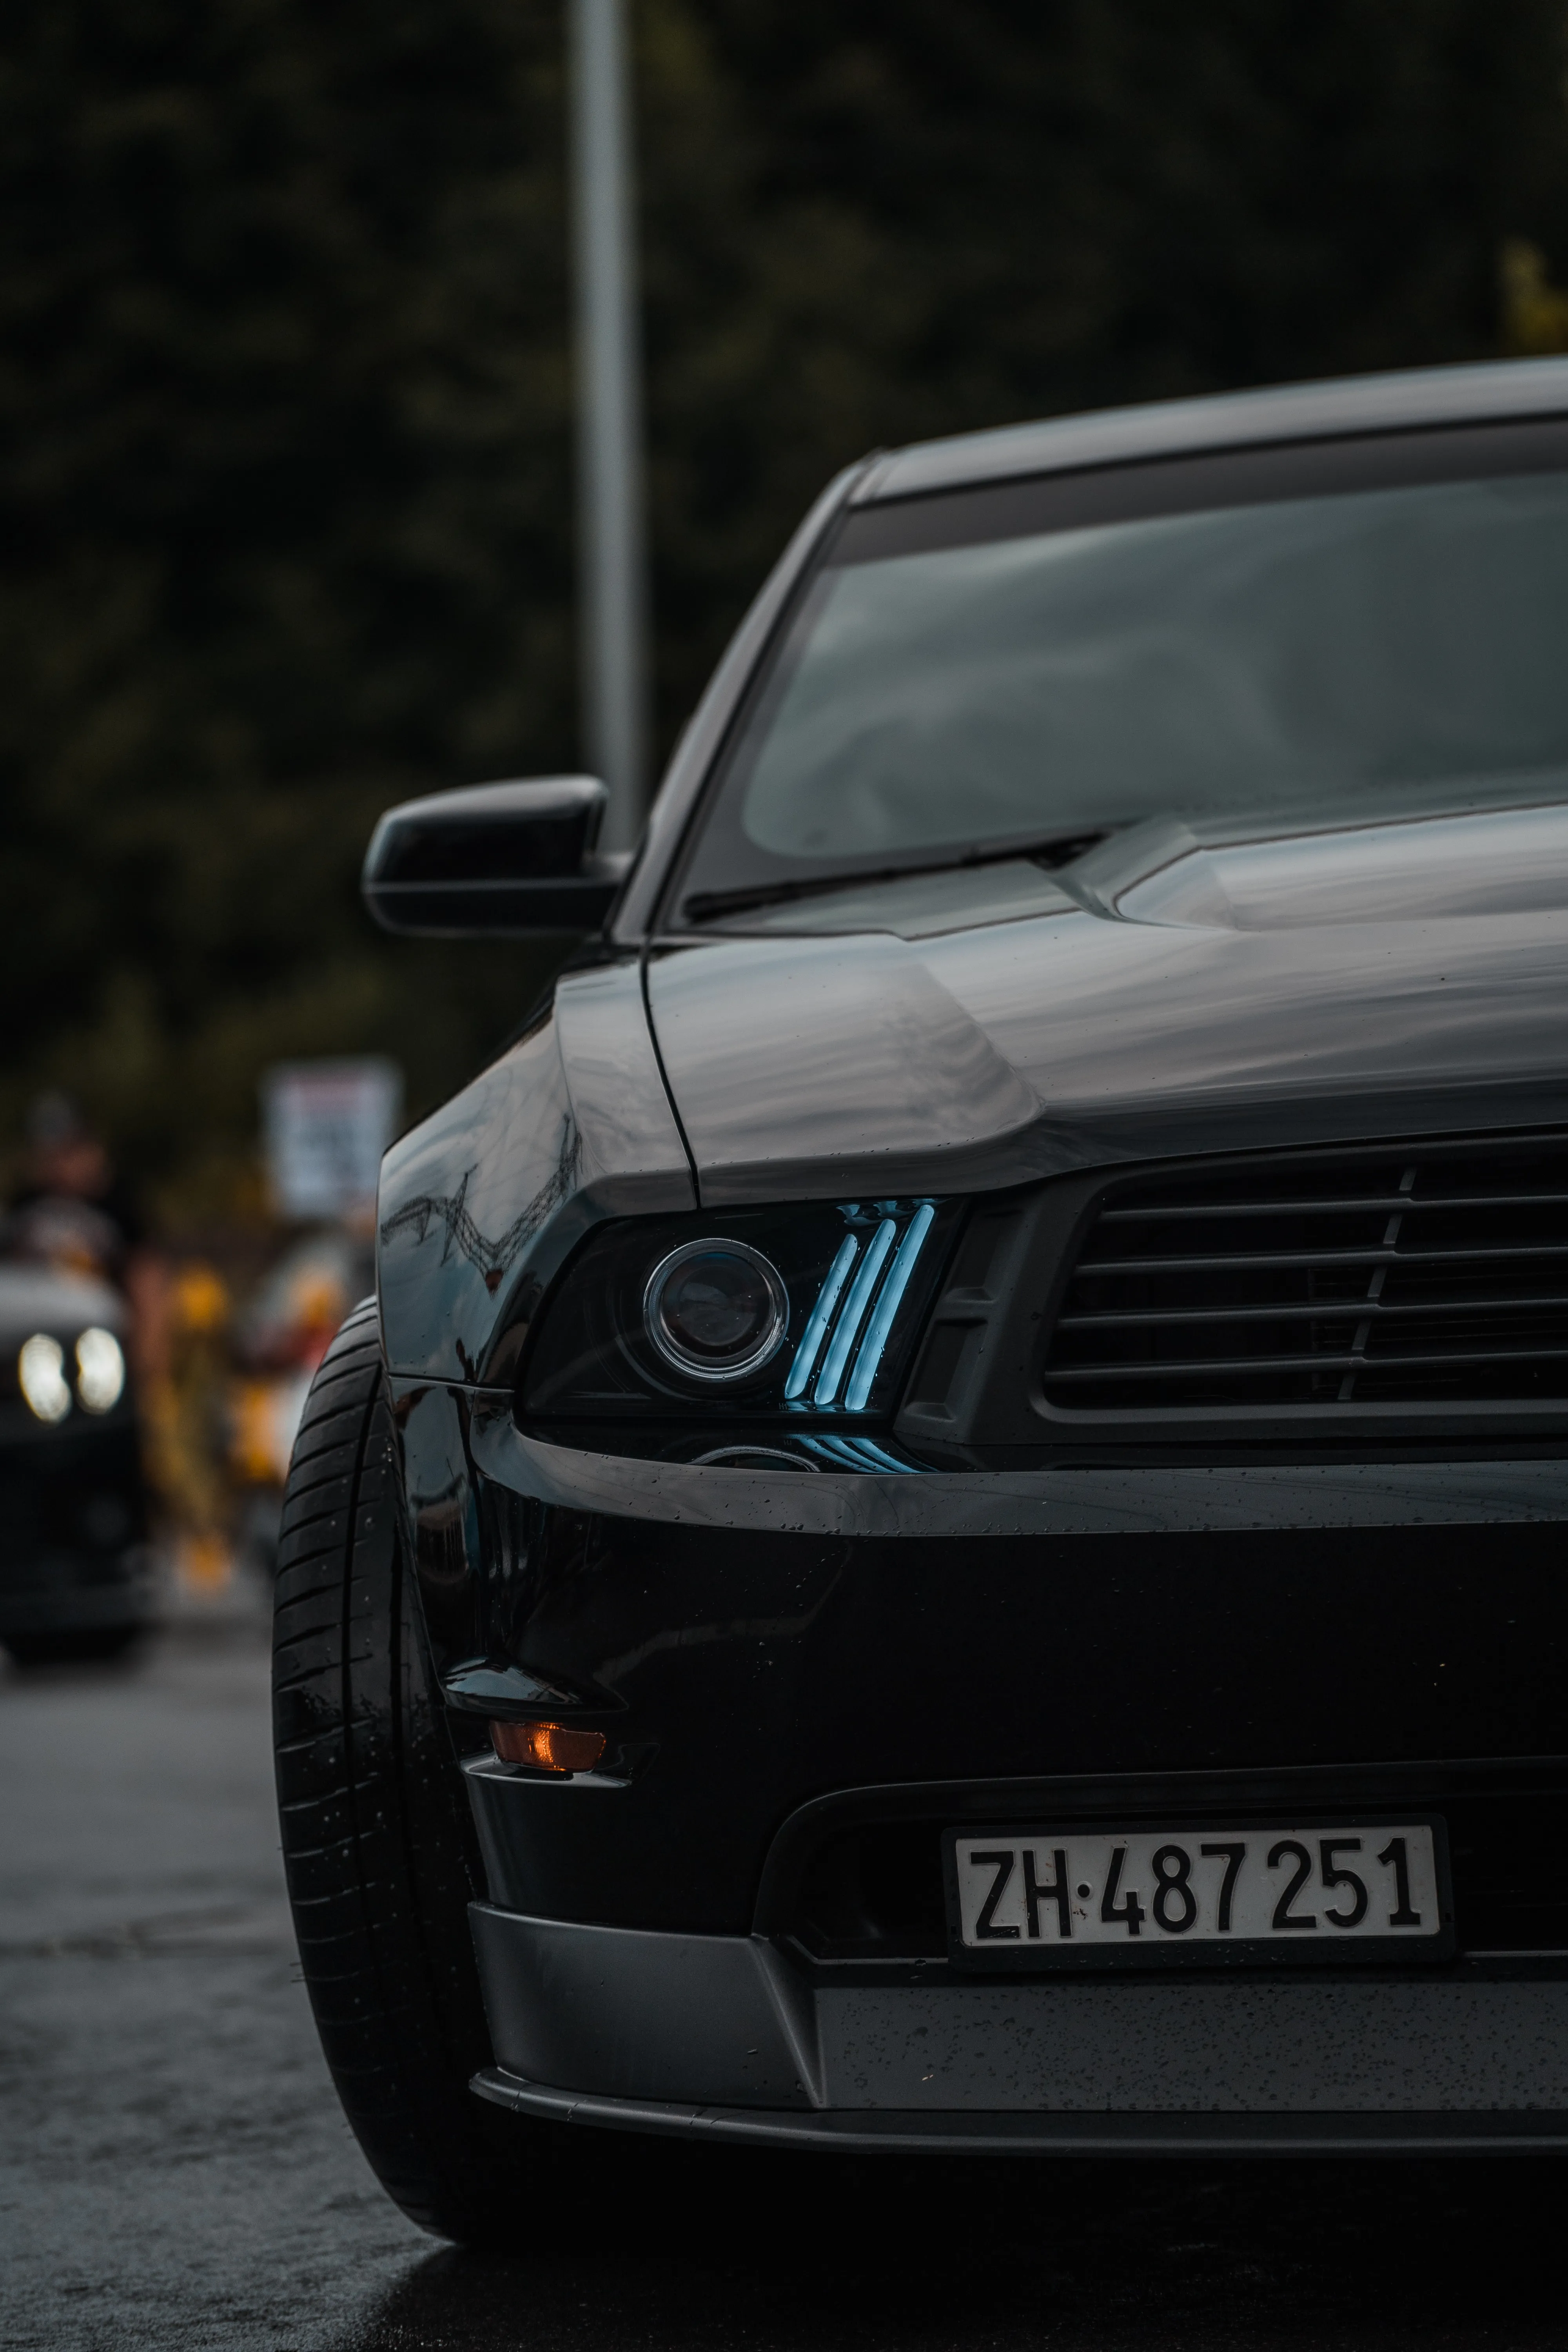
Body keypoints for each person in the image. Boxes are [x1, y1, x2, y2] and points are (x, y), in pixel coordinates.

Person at [5, 1093, 168, 1384]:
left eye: (70, 1150)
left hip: (99, 1347)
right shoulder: (25, 1205)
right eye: (51, 1153)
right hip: (32, 1350)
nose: (61, 1163)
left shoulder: (117, 1206)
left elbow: (146, 1278)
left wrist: (147, 1362)